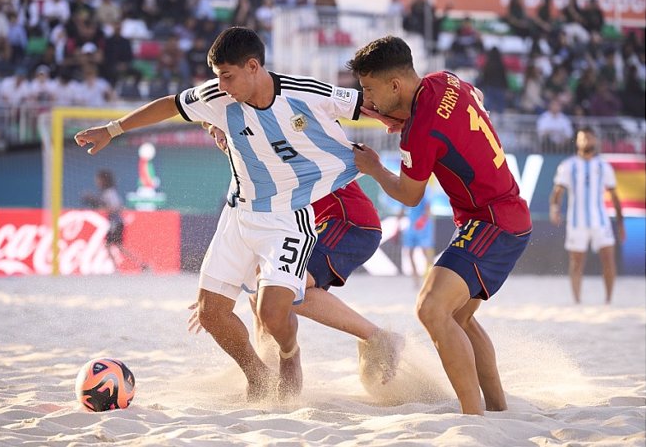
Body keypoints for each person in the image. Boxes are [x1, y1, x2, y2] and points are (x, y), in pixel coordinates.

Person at [74, 27, 365, 402]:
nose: (221, 84)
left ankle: (290, 354)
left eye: (227, 76)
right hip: (238, 214)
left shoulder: (304, 93)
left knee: (274, 313)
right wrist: (113, 130)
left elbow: (368, 104)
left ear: (253, 66)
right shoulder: (217, 95)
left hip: (287, 217)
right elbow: (170, 104)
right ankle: (257, 375)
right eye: (217, 76)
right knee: (211, 315)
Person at [346, 35, 532, 415]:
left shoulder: (421, 131)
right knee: (459, 317)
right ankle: (497, 410)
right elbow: (475, 97)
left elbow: (410, 195)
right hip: (505, 215)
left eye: (370, 89)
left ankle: (473, 419)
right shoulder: (445, 79)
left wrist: (374, 168)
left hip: (492, 221)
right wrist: (398, 118)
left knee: (431, 310)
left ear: (395, 85)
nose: (368, 100)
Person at [191, 123, 403, 386]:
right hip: (322, 225)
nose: (217, 139)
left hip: (349, 225)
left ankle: (377, 338)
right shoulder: (248, 158)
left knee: (283, 292)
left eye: (218, 132)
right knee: (263, 290)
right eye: (212, 134)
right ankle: (268, 367)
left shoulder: (268, 136)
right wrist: (216, 296)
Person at [549, 127, 625, 304]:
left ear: (595, 141)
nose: (586, 142)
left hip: (601, 220)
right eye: (582, 138)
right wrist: (554, 209)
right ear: (577, 141)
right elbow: (557, 191)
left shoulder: (604, 166)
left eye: (589, 138)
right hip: (577, 222)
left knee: (608, 259)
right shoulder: (568, 165)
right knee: (576, 262)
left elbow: (614, 196)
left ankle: (608, 300)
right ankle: (577, 301)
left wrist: (621, 224)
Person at [82, 169, 150, 273]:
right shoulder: (107, 192)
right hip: (114, 222)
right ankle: (138, 265)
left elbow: (115, 207)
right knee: (115, 246)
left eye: (98, 179)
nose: (97, 182)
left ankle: (135, 265)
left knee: (114, 246)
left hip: (116, 223)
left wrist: (99, 204)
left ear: (104, 180)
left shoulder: (109, 192)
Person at [398, 190, 434, 287]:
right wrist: (397, 226)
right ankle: (416, 280)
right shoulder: (406, 190)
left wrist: (422, 221)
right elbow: (401, 210)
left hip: (423, 226)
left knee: (425, 252)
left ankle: (433, 278)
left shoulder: (425, 191)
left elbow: (428, 210)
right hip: (411, 226)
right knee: (409, 253)